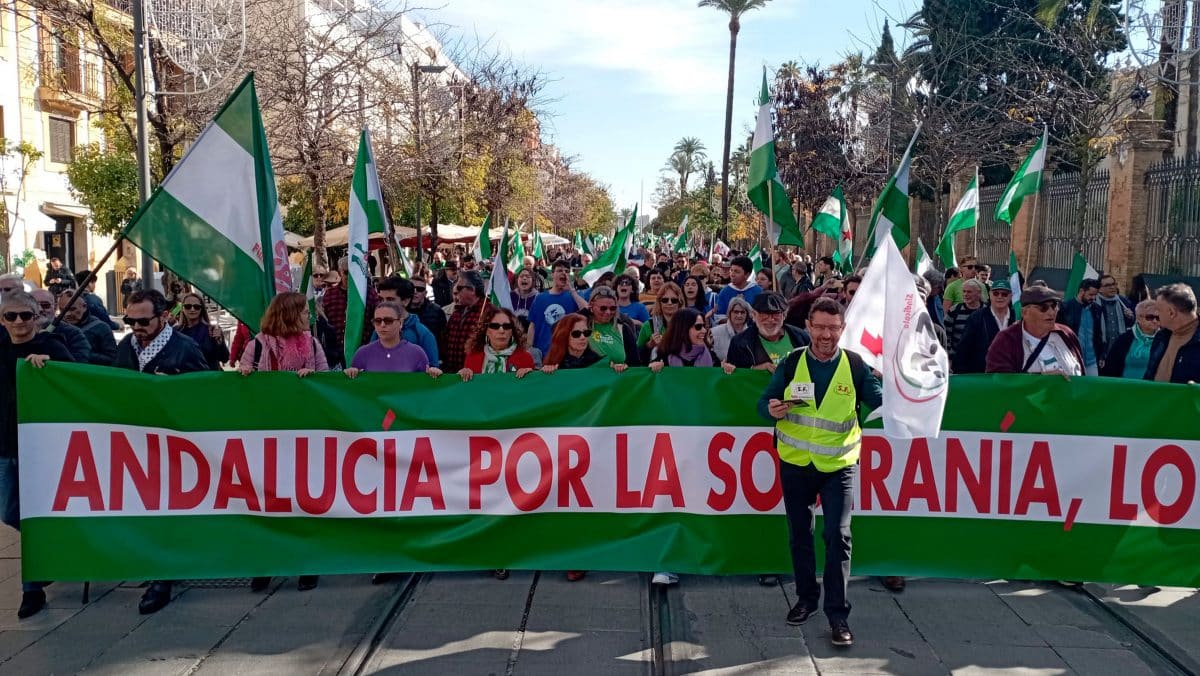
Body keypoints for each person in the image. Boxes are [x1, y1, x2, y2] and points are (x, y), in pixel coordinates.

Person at [758, 297, 881, 647]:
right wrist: (772, 409)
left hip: (838, 466)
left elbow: (878, 398)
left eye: (833, 327)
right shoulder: (792, 362)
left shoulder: (855, 365)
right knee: (800, 533)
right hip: (795, 463)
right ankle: (806, 598)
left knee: (838, 536)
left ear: (843, 329)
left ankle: (838, 614)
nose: (826, 334)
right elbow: (763, 403)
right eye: (820, 327)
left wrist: (901, 391)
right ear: (808, 326)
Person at [114, 290, 209, 614]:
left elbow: (208, 391)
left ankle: (161, 579)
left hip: (174, 445)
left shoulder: (184, 348)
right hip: (135, 442)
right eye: (131, 320)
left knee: (163, 509)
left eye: (143, 320)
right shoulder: (125, 347)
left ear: (164, 316)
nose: (136, 326)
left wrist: (176, 385)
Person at [237, 292, 329, 594]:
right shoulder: (258, 345)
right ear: (289, 314)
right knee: (269, 504)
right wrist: (245, 376)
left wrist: (313, 378)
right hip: (268, 435)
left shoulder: (313, 344)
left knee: (304, 501)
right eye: (304, 312)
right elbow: (241, 385)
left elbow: (327, 385)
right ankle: (267, 564)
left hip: (304, 435)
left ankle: (307, 564)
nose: (309, 317)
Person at [0, 291, 74, 619]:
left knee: (32, 516)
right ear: (2, 320)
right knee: (9, 512)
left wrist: (51, 368)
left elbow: (77, 381)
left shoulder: (52, 346)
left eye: (25, 316)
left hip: (41, 447)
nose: (19, 322)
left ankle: (33, 590)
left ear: (37, 317)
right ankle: (52, 553)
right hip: (4, 446)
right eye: (11, 316)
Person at [986, 283, 1083, 375]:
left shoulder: (1066, 333)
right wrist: (1039, 380)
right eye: (1043, 307)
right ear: (1025, 313)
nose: (1051, 312)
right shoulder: (1006, 340)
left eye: (1054, 306)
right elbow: (998, 383)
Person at [345, 301, 439, 379]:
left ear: (400, 322)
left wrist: (434, 374)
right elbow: (353, 390)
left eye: (388, 320)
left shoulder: (417, 353)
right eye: (377, 321)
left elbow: (425, 389)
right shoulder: (362, 353)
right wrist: (350, 373)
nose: (382, 325)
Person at [727, 292, 811, 371]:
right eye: (764, 314)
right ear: (754, 315)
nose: (770, 320)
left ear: (784, 315)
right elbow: (735, 377)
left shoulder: (801, 337)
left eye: (776, 314)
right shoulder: (739, 343)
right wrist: (755, 369)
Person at [953, 278, 1017, 374]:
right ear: (990, 295)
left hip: (1010, 373)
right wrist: (961, 373)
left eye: (1004, 294)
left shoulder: (1017, 317)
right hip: (982, 374)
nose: (1000, 297)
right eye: (996, 293)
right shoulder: (976, 317)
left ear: (1011, 296)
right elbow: (964, 347)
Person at [459, 306, 537, 380]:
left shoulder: (525, 358)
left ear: (512, 331)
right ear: (486, 330)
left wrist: (531, 377)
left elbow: (531, 390)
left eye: (506, 326)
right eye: (494, 326)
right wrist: (462, 375)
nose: (501, 331)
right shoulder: (472, 357)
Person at [376, 277, 439, 368]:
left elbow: (433, 371)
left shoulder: (423, 334)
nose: (384, 304)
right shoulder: (377, 330)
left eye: (390, 299)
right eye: (381, 299)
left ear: (405, 301)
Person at [1145, 283, 1200, 383]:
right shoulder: (1161, 337)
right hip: (1155, 397)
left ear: (1171, 313)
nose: (1156, 314)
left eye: (1158, 309)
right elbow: (1149, 375)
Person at [529, 261, 585, 356]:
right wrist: (529, 348)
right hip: (543, 352)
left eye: (567, 271)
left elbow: (588, 311)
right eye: (559, 270)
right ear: (552, 274)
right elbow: (532, 325)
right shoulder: (540, 298)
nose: (564, 273)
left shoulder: (575, 296)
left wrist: (572, 291)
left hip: (567, 354)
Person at [441, 271, 491, 373]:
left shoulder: (488, 312)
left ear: (472, 290)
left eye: (459, 288)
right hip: (452, 374)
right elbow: (446, 341)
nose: (456, 291)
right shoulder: (457, 312)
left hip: (474, 375)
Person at [581, 286, 641, 367]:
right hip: (589, 376)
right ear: (591, 306)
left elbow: (635, 363)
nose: (608, 312)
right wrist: (584, 312)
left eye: (612, 308)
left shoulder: (623, 328)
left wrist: (626, 366)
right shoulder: (581, 326)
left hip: (618, 378)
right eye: (603, 308)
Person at [649, 307, 725, 370]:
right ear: (683, 330)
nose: (704, 330)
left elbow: (720, 377)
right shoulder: (664, 354)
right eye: (698, 327)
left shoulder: (710, 354)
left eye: (703, 326)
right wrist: (653, 367)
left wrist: (726, 368)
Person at [57, 290, 118, 365]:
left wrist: (83, 353)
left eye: (72, 309)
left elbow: (112, 359)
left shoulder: (101, 328)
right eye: (62, 310)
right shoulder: (57, 327)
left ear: (84, 307)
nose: (67, 314)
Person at [1101, 300, 1159, 379]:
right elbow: (1110, 367)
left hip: (1152, 388)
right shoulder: (1124, 339)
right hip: (1124, 387)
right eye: (1150, 317)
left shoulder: (1164, 340)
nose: (1155, 321)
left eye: (1158, 317)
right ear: (1139, 318)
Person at [32, 289, 91, 363]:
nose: (40, 309)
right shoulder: (19, 330)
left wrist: (51, 360)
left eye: (45, 305)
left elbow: (80, 363)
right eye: (34, 305)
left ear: (55, 307)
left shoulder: (73, 333)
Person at [1057, 279, 1102, 375]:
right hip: (1071, 358)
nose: (1093, 298)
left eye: (1095, 295)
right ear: (1082, 291)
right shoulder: (1065, 308)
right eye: (1091, 295)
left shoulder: (1097, 309)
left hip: (1092, 361)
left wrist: (1101, 355)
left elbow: (1099, 334)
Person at [176, 292, 229, 370]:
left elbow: (224, 358)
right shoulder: (176, 331)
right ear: (182, 309)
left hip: (209, 378)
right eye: (188, 306)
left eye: (196, 307)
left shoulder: (212, 330)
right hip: (186, 379)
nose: (192, 309)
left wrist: (220, 343)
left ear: (201, 309)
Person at [542, 313, 613, 372]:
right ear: (564, 336)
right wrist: (544, 372)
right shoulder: (554, 363)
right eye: (576, 334)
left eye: (586, 333)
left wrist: (618, 368)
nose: (583, 337)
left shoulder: (598, 362)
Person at [637, 281, 683, 362]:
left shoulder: (687, 324)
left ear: (679, 303)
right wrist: (650, 345)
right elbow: (636, 355)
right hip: (655, 372)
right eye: (665, 300)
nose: (669, 303)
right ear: (659, 302)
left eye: (674, 300)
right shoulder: (648, 325)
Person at [1095, 274, 1136, 362]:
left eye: (1114, 284)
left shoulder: (1123, 301)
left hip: (1120, 349)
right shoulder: (1094, 303)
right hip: (1101, 351)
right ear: (1100, 289)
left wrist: (1130, 317)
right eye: (1108, 285)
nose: (1112, 287)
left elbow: (1134, 324)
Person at [946, 279, 985, 361]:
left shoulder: (987, 311)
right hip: (958, 359)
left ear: (978, 293)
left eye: (969, 292)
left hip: (982, 360)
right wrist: (950, 356)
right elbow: (946, 334)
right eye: (964, 291)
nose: (965, 294)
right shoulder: (955, 310)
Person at [407, 273, 446, 343]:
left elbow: (443, 338)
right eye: (412, 288)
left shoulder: (437, 311)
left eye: (420, 289)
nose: (415, 292)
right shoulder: (400, 310)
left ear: (425, 293)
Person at [712, 297, 751, 362]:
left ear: (747, 315)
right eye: (736, 312)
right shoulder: (714, 333)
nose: (739, 315)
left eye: (742, 312)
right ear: (729, 313)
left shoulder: (753, 335)